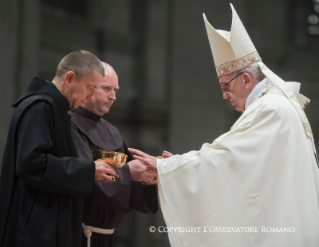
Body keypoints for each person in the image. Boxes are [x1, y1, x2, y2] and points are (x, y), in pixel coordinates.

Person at [129, 4, 319, 247]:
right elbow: (243, 171)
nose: (224, 95)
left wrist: (168, 168)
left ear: (247, 80)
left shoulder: (270, 109)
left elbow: (227, 162)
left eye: (225, 86)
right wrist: (176, 167)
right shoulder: (279, 106)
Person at [0, 50, 119, 247]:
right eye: (90, 88)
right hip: (34, 232)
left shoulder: (56, 109)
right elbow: (32, 164)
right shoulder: (40, 107)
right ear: (70, 78)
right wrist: (89, 170)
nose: (90, 97)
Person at [69, 62, 158, 247]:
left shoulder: (113, 132)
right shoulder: (68, 124)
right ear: (89, 87)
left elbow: (132, 190)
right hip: (76, 235)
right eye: (107, 88)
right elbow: (82, 176)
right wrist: (127, 172)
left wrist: (150, 178)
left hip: (105, 236)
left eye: (115, 90)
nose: (114, 97)